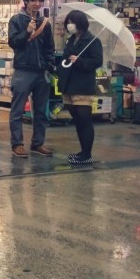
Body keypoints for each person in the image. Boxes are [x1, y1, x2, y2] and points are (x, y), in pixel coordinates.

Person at [7, 0, 57, 158]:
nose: (37, 3)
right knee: (17, 110)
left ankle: (38, 143)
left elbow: (50, 47)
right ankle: (17, 144)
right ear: (26, 1)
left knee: (41, 110)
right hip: (23, 70)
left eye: (40, 0)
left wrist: (49, 66)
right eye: (33, 0)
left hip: (41, 72)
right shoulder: (16, 20)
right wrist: (27, 31)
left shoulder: (45, 23)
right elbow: (14, 43)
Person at [57, 10, 103, 165]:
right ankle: (83, 152)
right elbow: (65, 58)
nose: (70, 25)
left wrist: (80, 61)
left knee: (84, 119)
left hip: (83, 85)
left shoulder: (92, 41)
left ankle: (86, 154)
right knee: (77, 119)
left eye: (73, 22)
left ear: (81, 23)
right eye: (68, 22)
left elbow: (97, 61)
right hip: (69, 85)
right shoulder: (71, 40)